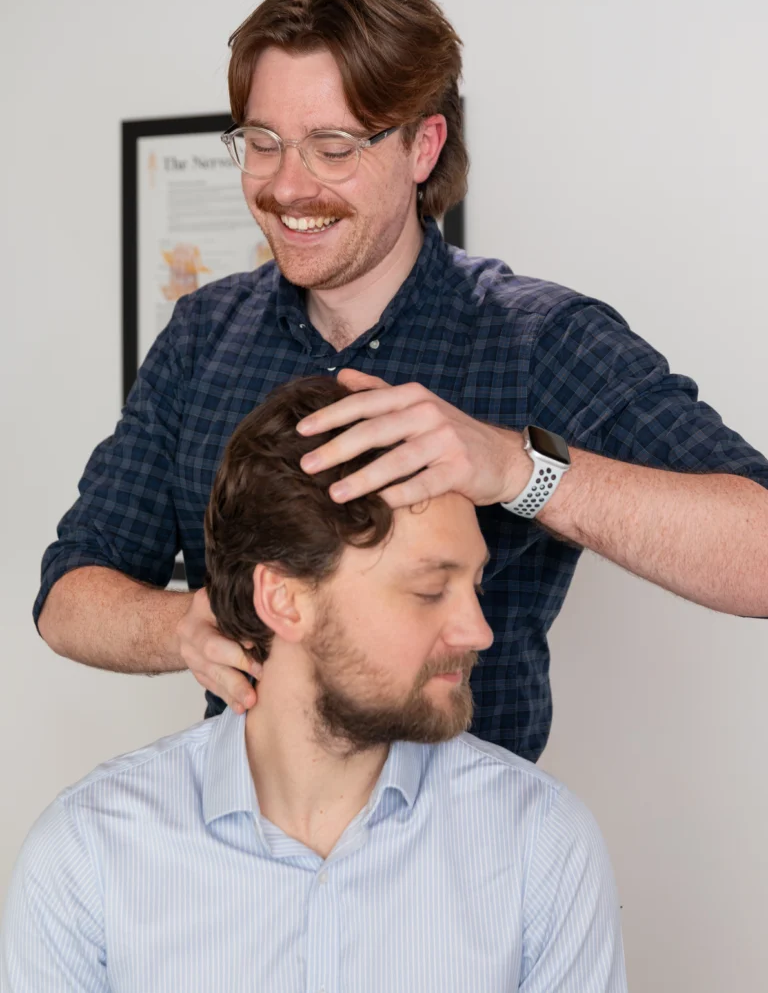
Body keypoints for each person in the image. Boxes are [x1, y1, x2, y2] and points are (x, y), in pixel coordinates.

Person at [36, 0, 768, 763]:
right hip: (245, 828)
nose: (287, 186)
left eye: (333, 147)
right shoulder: (202, 335)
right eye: (262, 143)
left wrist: (516, 468)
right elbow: (69, 594)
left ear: (424, 145)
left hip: (472, 829)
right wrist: (183, 625)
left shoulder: (538, 338)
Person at [3, 377, 627, 992]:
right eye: (430, 590)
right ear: (283, 599)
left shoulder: (539, 844)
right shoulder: (90, 854)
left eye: (475, 585)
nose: (478, 632)